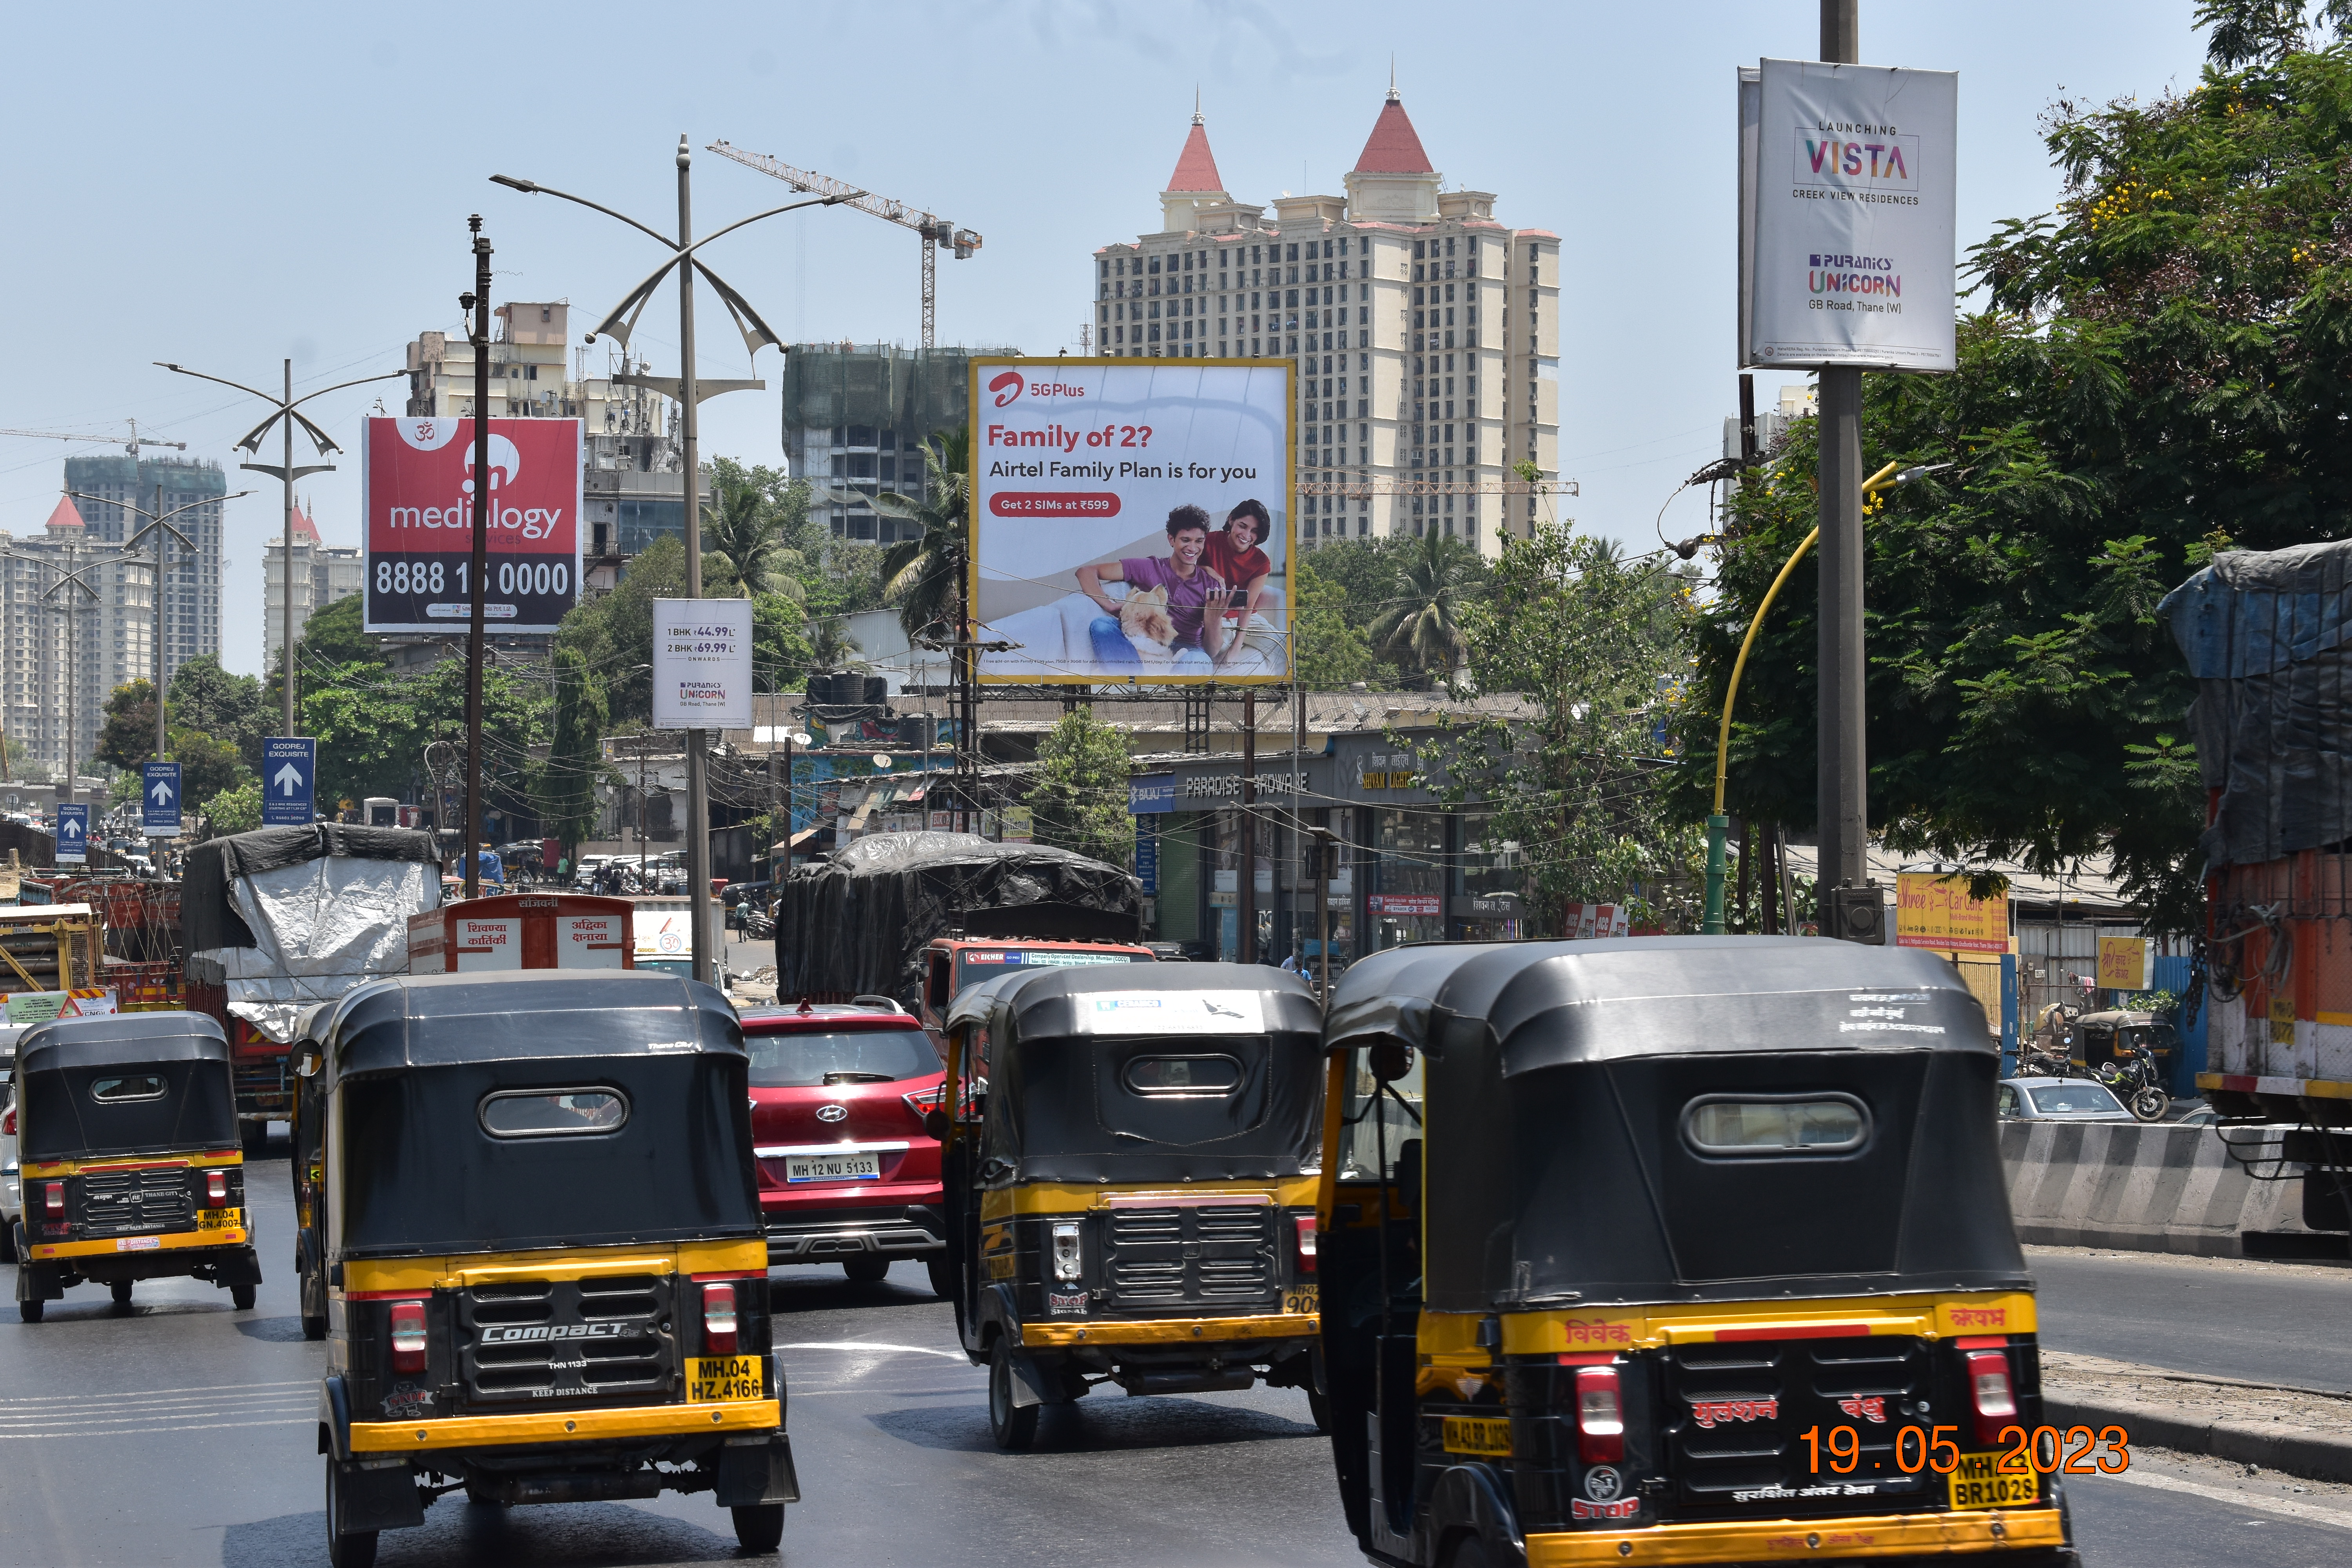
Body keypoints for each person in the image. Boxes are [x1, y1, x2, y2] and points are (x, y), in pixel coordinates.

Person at [1074, 505, 1233, 675]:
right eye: (1186, 540)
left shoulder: (1211, 584)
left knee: (1199, 660)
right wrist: (1109, 605)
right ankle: (1134, 684)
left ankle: (1166, 693)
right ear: (1172, 540)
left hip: (1187, 650)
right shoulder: (1150, 567)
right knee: (1102, 625)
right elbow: (1086, 572)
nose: (1193, 548)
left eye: (1199, 541)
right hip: (1145, 642)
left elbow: (1211, 652)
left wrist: (1213, 619)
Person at [1202, 500, 1277, 664]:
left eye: (1254, 531)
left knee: (1281, 646)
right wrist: (1206, 569)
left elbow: (1248, 607)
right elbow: (1186, 569)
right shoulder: (1208, 541)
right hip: (1216, 617)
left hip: (1248, 619)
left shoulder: (1261, 561)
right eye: (1243, 526)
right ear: (1231, 520)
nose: (1247, 535)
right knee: (1216, 652)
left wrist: (1236, 647)